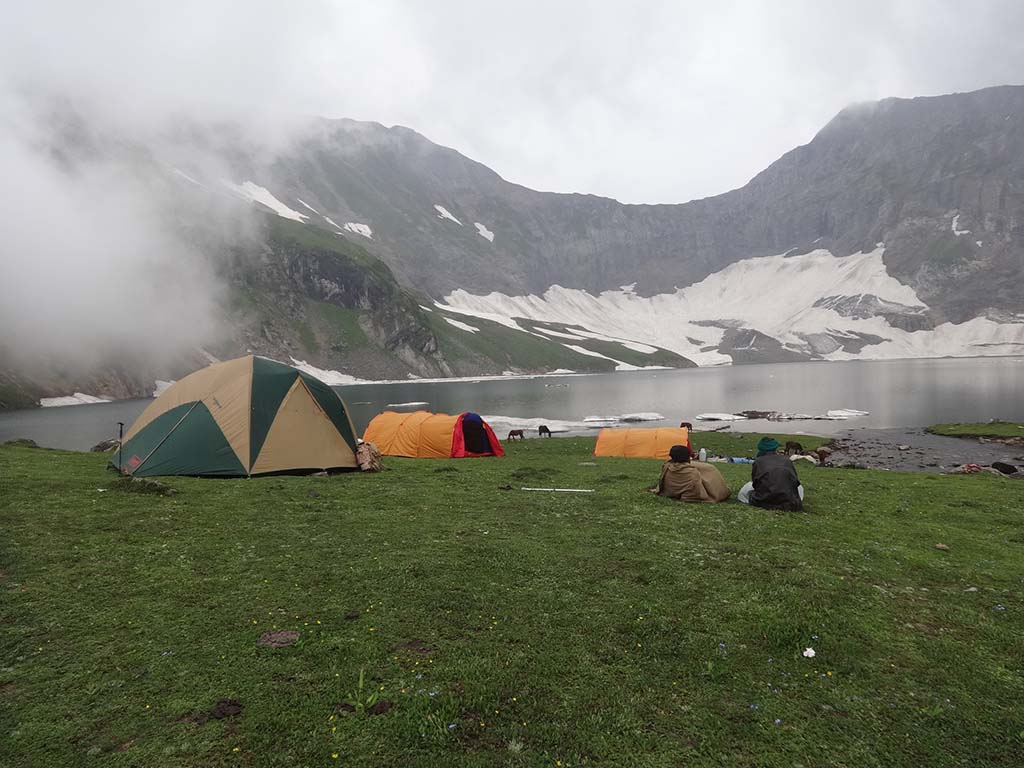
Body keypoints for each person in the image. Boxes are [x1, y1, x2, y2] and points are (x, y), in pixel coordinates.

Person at [737, 437, 804, 511]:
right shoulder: (787, 460)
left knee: (745, 489)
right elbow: (795, 482)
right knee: (800, 488)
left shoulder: (758, 461)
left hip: (764, 502)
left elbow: (755, 484)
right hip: (791, 504)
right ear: (775, 448)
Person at [653, 444, 729, 503]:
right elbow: (696, 490)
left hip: (670, 492)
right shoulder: (692, 473)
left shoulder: (667, 467)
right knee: (711, 470)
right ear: (687, 457)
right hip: (694, 491)